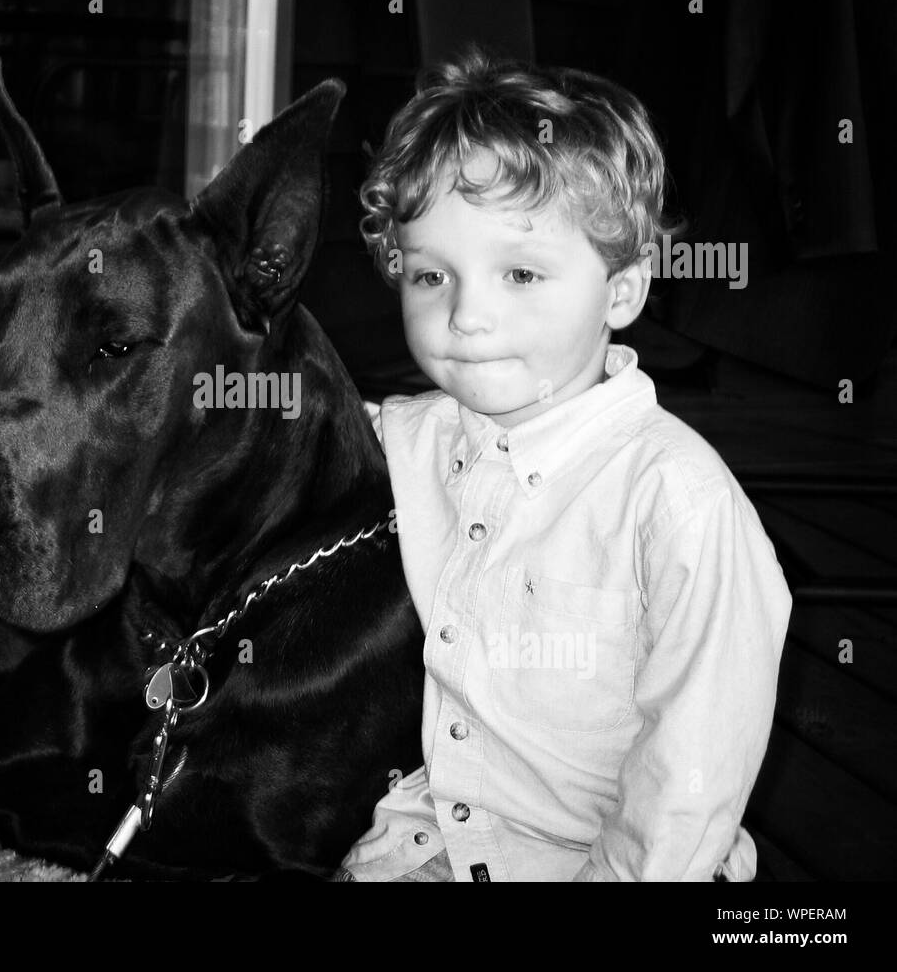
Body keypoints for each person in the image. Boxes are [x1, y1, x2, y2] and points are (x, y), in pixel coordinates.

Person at [337, 48, 792, 881]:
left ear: (621, 292)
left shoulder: (676, 502)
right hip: (425, 843)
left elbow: (691, 772)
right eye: (431, 274)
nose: (467, 315)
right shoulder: (410, 437)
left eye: (520, 272)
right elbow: (300, 444)